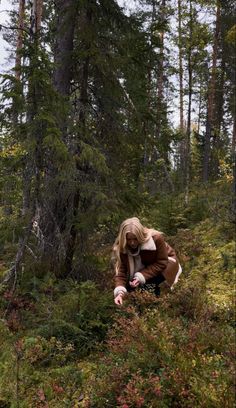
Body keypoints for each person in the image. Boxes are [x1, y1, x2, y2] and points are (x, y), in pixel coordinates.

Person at [112, 217, 182, 305]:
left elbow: (162, 262)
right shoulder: (123, 247)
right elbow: (121, 272)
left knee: (148, 286)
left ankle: (156, 308)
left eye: (135, 239)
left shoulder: (156, 239)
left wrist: (140, 277)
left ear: (140, 236)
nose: (132, 243)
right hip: (146, 268)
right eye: (129, 239)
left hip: (166, 264)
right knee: (131, 289)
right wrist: (120, 293)